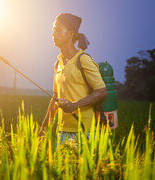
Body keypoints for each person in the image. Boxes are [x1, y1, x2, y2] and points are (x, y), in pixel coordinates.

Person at [40, 13, 108, 144]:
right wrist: (44, 125)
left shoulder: (83, 60)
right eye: (53, 30)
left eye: (58, 30)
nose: (53, 34)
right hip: (62, 130)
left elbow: (101, 92)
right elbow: (55, 96)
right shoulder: (58, 63)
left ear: (70, 34)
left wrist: (75, 106)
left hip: (85, 130)